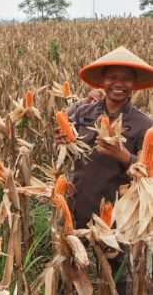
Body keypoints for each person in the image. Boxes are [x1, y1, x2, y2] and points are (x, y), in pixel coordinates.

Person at [55, 47, 153, 295]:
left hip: (116, 215)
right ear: (102, 81)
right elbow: (63, 145)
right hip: (77, 207)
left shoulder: (144, 124)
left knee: (116, 280)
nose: (119, 84)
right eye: (112, 77)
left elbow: (149, 175)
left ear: (134, 84)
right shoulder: (82, 113)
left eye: (126, 78)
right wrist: (61, 141)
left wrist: (123, 155)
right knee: (68, 276)